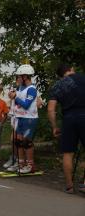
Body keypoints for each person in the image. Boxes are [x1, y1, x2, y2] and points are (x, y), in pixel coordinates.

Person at [48, 64, 85, 194]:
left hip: (68, 119)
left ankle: (69, 186)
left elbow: (51, 109)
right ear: (71, 69)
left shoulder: (57, 85)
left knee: (67, 153)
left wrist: (55, 127)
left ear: (60, 75)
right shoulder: (82, 78)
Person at [7, 64, 38, 174]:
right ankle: (20, 164)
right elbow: (16, 102)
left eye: (20, 76)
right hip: (19, 117)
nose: (18, 78)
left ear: (25, 76)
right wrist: (12, 96)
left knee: (26, 142)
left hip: (29, 118)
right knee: (18, 142)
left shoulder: (31, 89)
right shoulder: (20, 87)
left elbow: (26, 104)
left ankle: (30, 165)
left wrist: (15, 97)